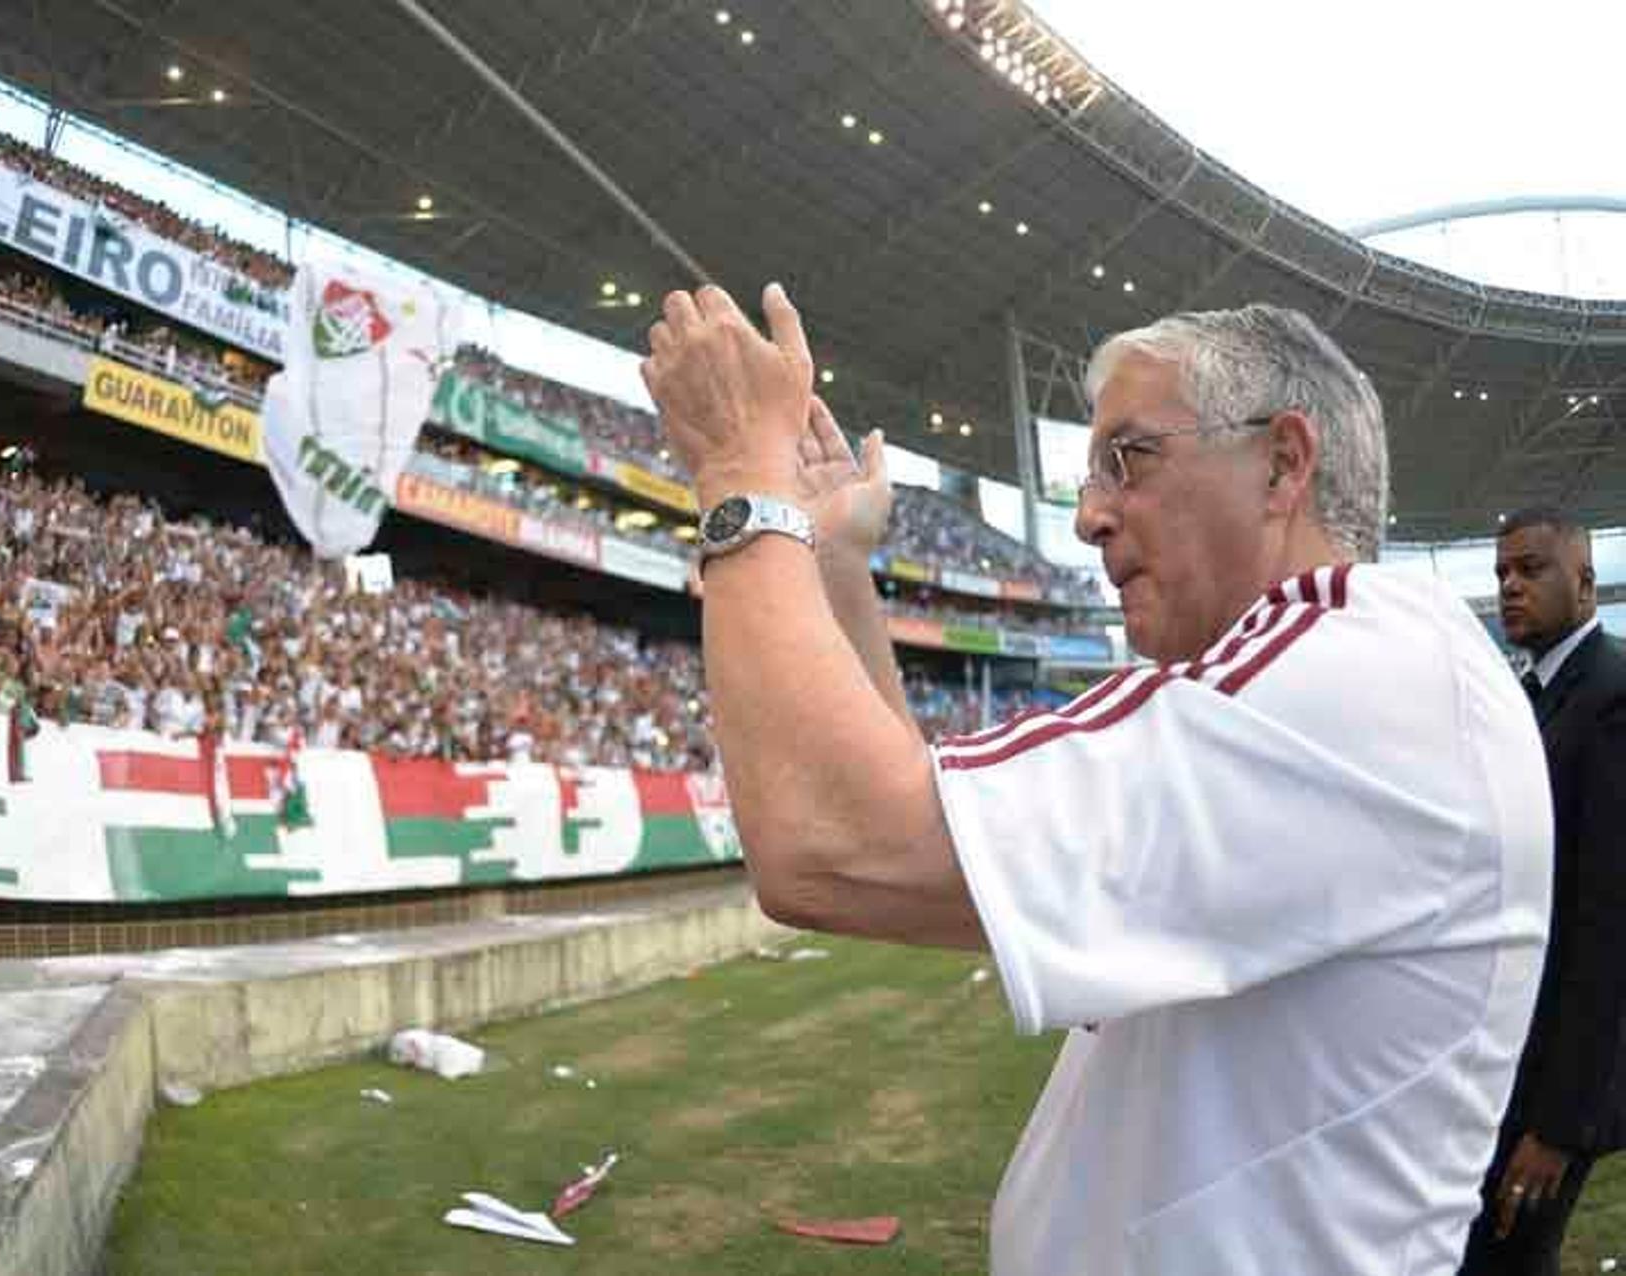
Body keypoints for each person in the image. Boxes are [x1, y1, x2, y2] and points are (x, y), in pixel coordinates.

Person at [641, 288, 1552, 1272]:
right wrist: (835, 569)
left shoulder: (1362, 676)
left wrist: (741, 477)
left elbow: (837, 843)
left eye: (1129, 457)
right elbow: (928, 839)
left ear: (1283, 462)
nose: (1085, 516)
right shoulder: (1345, 687)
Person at [1459, 507, 1626, 1273]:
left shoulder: (1614, 696)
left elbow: (1608, 928)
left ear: (1584, 583)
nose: (1509, 589)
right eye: (1500, 575)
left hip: (1555, 1082)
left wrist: (1559, 1126)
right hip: (1507, 1055)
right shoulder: (1526, 696)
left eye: (1530, 570)